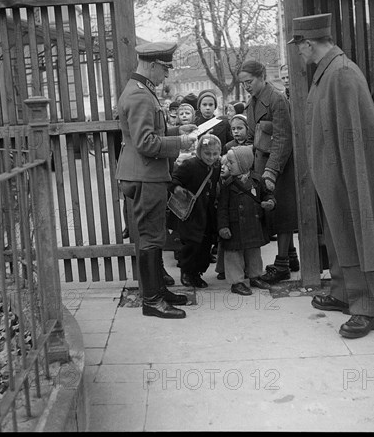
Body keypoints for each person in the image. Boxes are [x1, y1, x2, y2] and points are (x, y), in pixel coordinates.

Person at [289, 12, 374, 338]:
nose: (298, 52)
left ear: (309, 43)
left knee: (357, 236)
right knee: (338, 235)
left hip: (345, 175)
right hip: (333, 175)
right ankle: (344, 293)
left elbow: (355, 137)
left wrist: (352, 180)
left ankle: (366, 309)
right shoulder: (328, 71)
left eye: (299, 46)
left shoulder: (341, 74)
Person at [116, 41, 198, 319]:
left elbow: (153, 131)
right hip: (145, 175)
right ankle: (152, 301)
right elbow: (146, 143)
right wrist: (182, 142)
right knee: (151, 238)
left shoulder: (142, 91)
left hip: (145, 173)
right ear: (151, 65)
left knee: (155, 235)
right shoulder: (140, 96)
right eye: (164, 69)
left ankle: (158, 292)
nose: (166, 75)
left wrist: (177, 129)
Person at [237, 60, 299, 283]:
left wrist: (271, 171)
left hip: (279, 164)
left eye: (249, 81)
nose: (246, 86)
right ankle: (291, 256)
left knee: (282, 213)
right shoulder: (252, 101)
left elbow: (283, 138)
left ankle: (282, 264)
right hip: (263, 163)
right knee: (276, 211)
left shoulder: (277, 99)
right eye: (243, 83)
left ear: (262, 76)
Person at [217, 145, 276, 295]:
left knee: (254, 253)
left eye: (231, 162)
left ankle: (255, 275)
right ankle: (236, 282)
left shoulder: (257, 180)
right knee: (233, 255)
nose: (227, 165)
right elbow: (222, 208)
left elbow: (267, 194)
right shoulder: (228, 185)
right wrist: (223, 226)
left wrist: (270, 203)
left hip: (253, 224)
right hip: (234, 226)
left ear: (243, 163)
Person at [169, 134, 222, 288]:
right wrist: (177, 188)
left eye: (215, 154)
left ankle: (197, 273)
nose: (211, 157)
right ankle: (186, 271)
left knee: (205, 245)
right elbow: (174, 179)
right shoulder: (189, 165)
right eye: (207, 153)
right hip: (192, 213)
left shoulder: (217, 166)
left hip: (208, 212)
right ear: (199, 151)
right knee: (191, 244)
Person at [173, 102, 197, 167]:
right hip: (179, 163)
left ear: (193, 115)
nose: (184, 115)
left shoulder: (197, 130)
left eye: (187, 113)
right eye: (181, 114)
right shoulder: (175, 132)